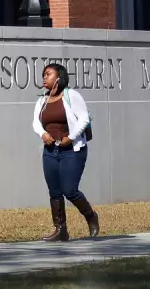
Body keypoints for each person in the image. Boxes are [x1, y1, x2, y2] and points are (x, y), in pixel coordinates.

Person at [32, 63, 99, 242]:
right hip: (50, 151)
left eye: (48, 74)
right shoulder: (42, 100)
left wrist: (71, 137)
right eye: (43, 75)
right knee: (54, 191)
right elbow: (36, 122)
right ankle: (61, 229)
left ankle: (91, 216)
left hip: (72, 151)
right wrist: (43, 133)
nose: (44, 78)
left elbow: (84, 118)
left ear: (59, 78)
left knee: (70, 190)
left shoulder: (71, 95)